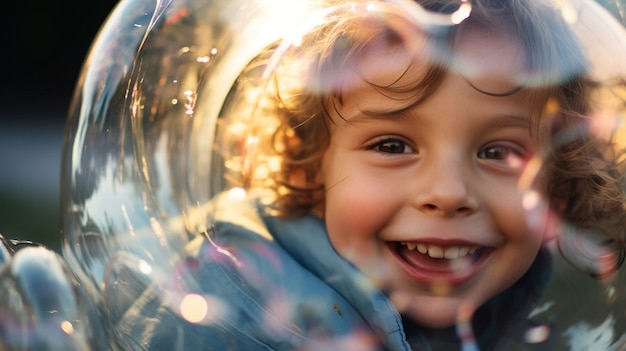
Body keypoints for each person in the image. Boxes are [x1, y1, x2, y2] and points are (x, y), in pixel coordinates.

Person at [115, 0, 626, 349]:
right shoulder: (226, 313)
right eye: (392, 145)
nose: (447, 194)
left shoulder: (518, 312)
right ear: (311, 162)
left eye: (499, 152)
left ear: (560, 178)